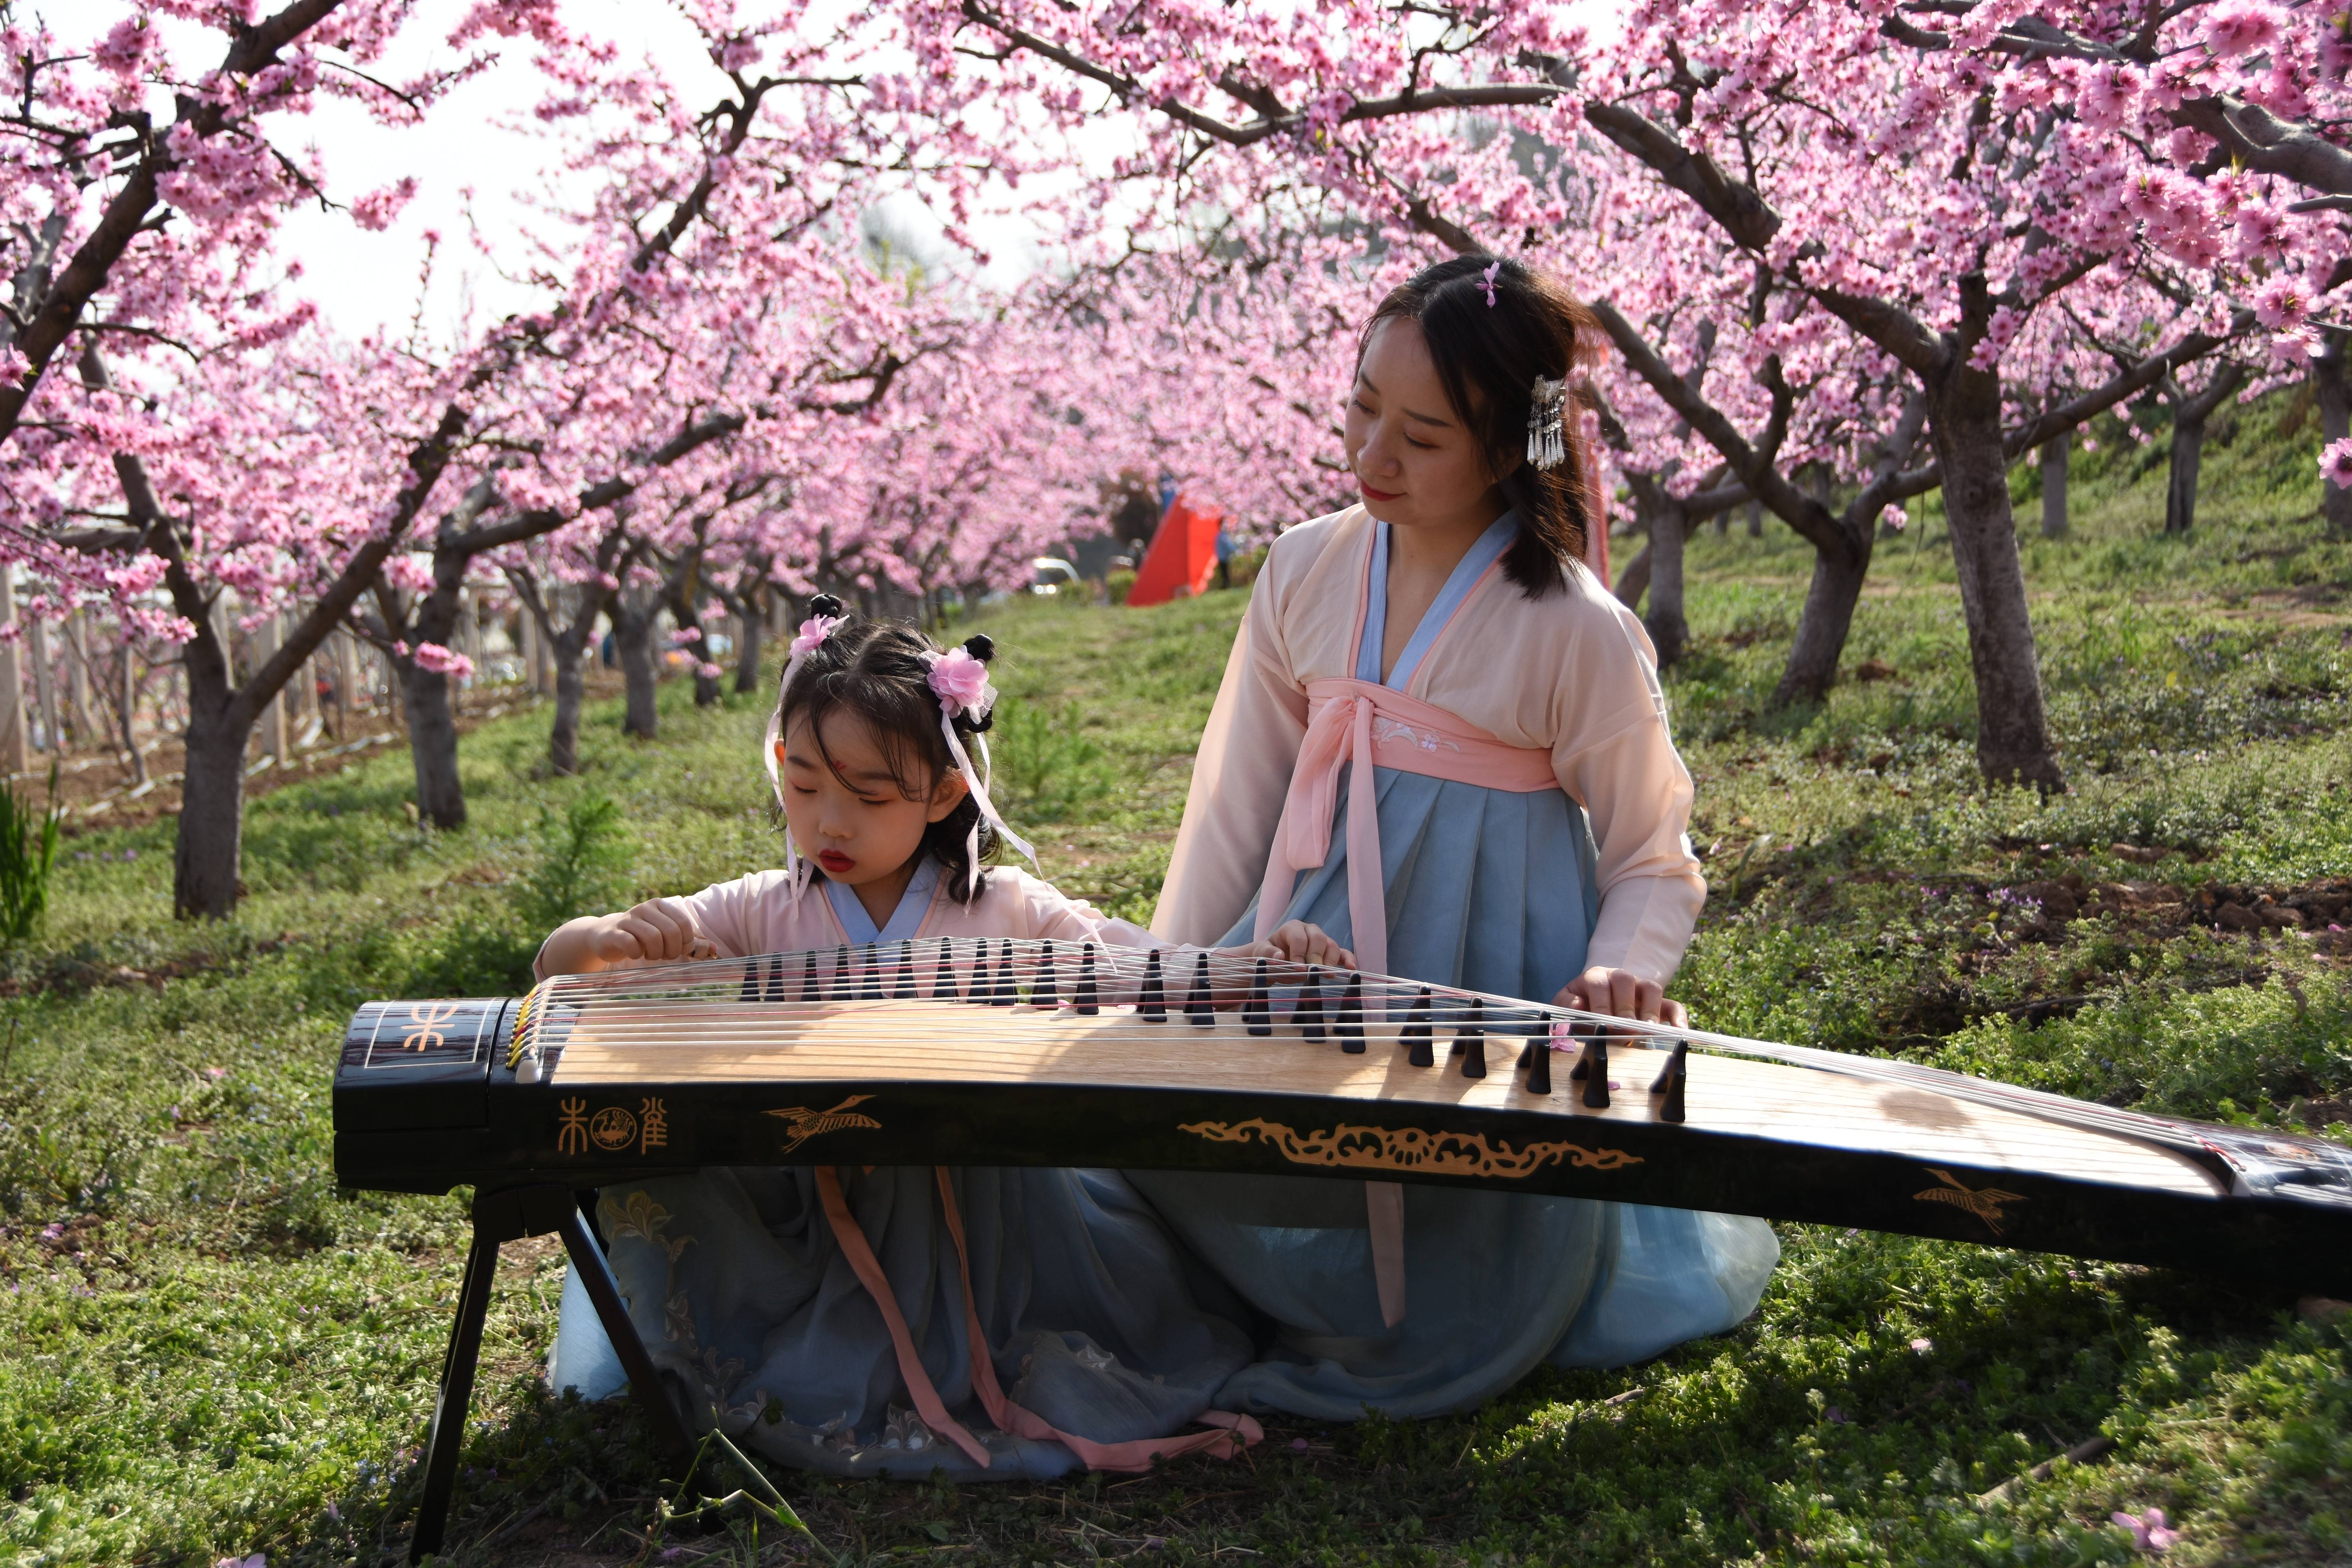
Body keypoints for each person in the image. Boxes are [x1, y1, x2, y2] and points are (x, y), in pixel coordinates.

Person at [1143, 254, 1779, 1419]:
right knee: (1175, 1158)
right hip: (1316, 955)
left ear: (1507, 446)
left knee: (1478, 1230)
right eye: (1362, 408)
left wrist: (1622, 972)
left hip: (1485, 985)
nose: (1372, 455)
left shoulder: (1577, 633)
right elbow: (1238, 799)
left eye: (1422, 437)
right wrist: (1173, 993)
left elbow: (1649, 850)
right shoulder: (1303, 569)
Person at [540, 597, 1348, 1478]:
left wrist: (1266, 965)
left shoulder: (1006, 912)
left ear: (946, 789)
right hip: (824, 1216)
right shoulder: (760, 908)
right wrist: (612, 939)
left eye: (869, 793)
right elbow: (560, 964)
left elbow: (1144, 967)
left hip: (1000, 1225)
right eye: (804, 784)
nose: (830, 822)